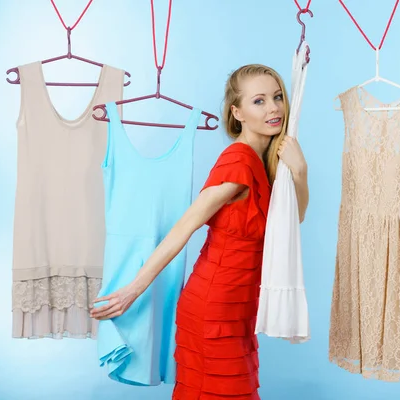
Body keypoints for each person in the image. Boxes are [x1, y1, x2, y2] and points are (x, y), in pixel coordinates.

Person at [90, 64, 309, 399]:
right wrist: (133, 289)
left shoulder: (268, 165)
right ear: (238, 113)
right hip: (213, 308)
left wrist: (301, 172)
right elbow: (185, 225)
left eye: (277, 97)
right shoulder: (239, 161)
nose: (274, 108)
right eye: (259, 101)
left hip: (240, 309)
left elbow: (292, 224)